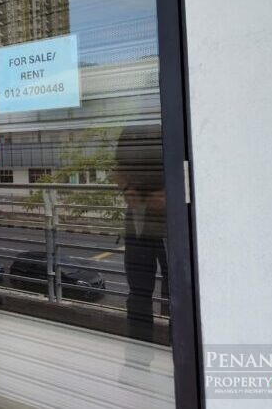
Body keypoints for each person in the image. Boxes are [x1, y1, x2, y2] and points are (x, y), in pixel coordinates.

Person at [112, 125, 170, 367]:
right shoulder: (130, 134)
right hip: (138, 223)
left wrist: (171, 194)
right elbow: (116, 170)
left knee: (176, 295)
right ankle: (137, 362)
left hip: (171, 223)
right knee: (138, 295)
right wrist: (127, 189)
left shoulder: (172, 126)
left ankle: (178, 360)